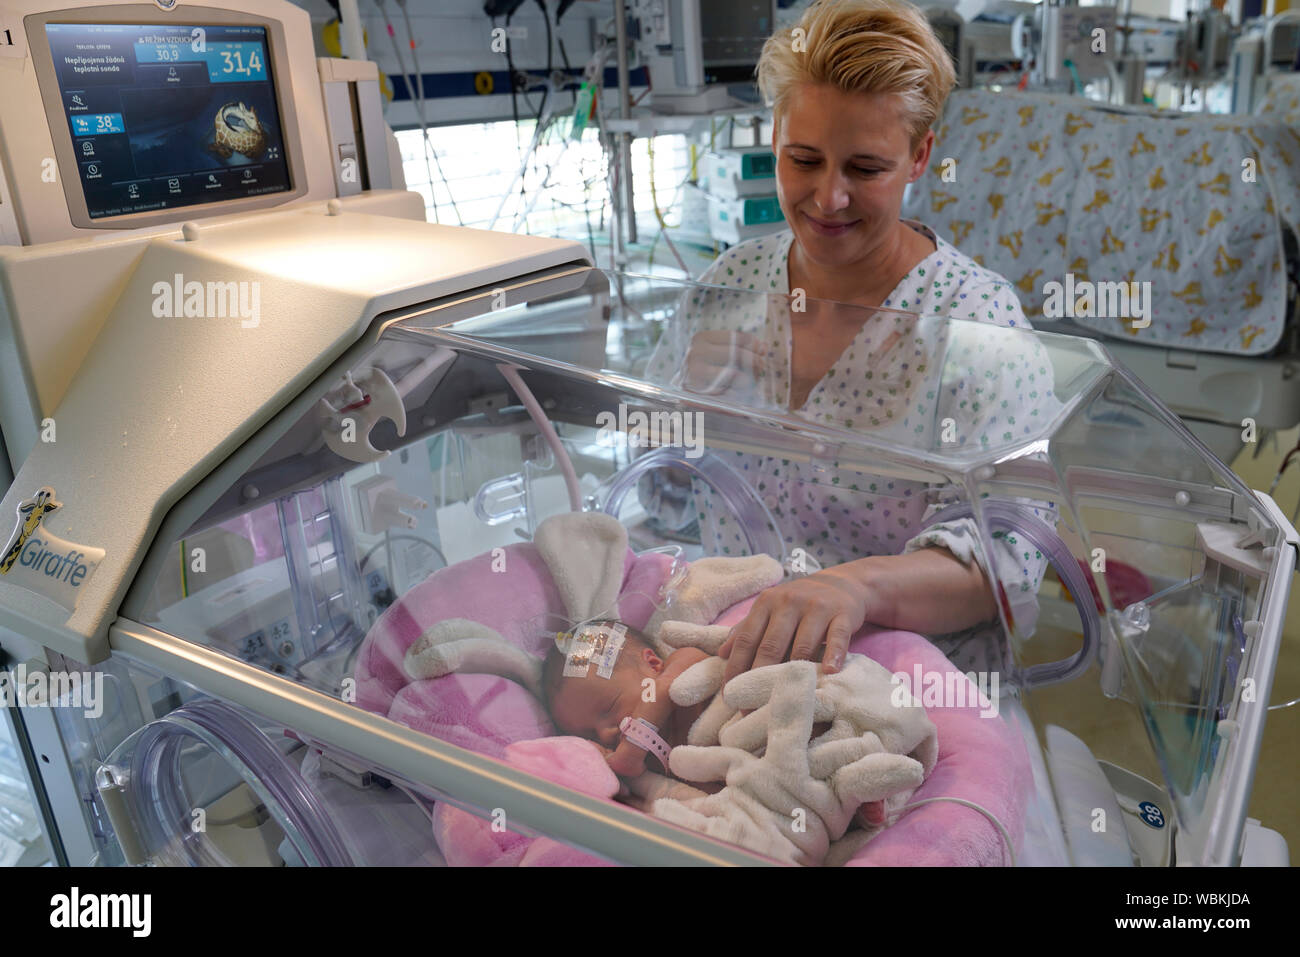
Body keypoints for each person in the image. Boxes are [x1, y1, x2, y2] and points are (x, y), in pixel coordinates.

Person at [641, 0, 1060, 683]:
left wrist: (856, 589)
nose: (828, 198)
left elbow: (1005, 564)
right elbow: (661, 492)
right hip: (740, 674)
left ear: (920, 156)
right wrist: (685, 414)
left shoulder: (976, 325)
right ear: (774, 134)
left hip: (905, 696)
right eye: (803, 159)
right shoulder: (731, 287)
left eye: (865, 169)